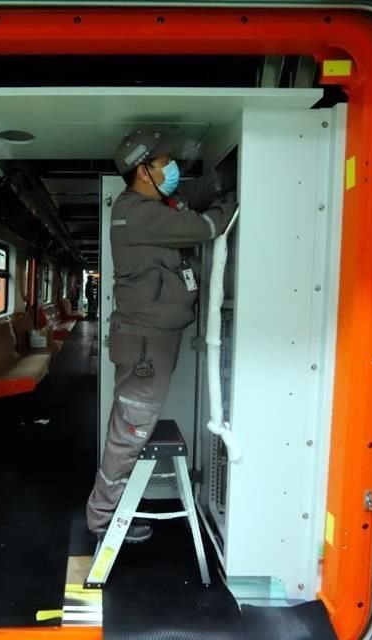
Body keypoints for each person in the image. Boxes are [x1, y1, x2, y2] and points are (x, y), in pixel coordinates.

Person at [86, 127, 238, 542]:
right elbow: (207, 225)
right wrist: (237, 198)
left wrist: (225, 178)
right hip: (145, 346)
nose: (172, 169)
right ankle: (103, 521)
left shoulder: (155, 205)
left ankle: (106, 512)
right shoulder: (139, 213)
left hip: (151, 341)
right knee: (130, 432)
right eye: (164, 162)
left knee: (129, 427)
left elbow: (193, 195)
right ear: (143, 171)